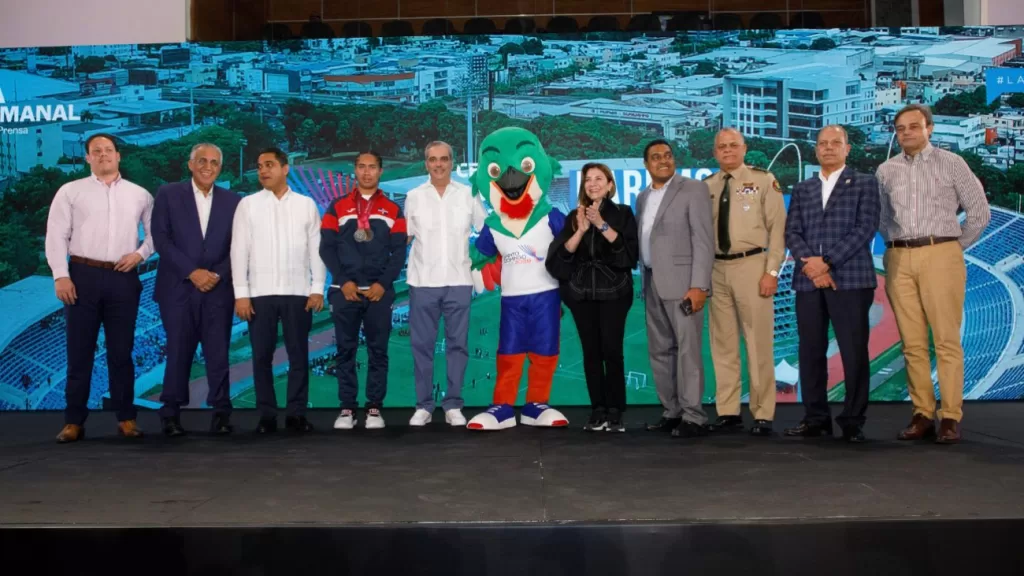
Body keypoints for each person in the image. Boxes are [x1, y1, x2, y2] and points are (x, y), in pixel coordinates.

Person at [876, 104, 990, 444]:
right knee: (912, 343)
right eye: (900, 128)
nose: (906, 133)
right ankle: (922, 413)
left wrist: (952, 248)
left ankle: (951, 416)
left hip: (941, 252)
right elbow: (882, 218)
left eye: (913, 126)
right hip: (898, 257)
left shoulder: (952, 163)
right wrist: (895, 246)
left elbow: (979, 212)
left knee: (945, 340)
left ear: (930, 128)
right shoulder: (885, 170)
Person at [45, 133, 154, 443]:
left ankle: (126, 418)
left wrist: (140, 254)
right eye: (96, 151)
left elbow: (155, 234)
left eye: (108, 150)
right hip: (82, 276)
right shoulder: (70, 191)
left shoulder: (140, 194)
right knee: (79, 353)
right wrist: (60, 275)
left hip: (123, 277)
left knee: (122, 353)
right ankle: (73, 422)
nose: (103, 154)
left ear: (118, 155)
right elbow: (56, 235)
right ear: (87, 158)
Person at [783, 125, 881, 443]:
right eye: (822, 143)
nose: (828, 148)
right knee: (810, 352)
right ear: (816, 149)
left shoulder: (865, 183)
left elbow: (865, 228)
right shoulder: (803, 188)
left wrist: (827, 262)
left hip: (850, 280)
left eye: (835, 142)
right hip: (808, 281)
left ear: (847, 148)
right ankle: (816, 419)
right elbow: (791, 232)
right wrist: (813, 268)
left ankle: (852, 421)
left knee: (853, 352)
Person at [231, 147, 326, 434]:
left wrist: (317, 288)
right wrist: (241, 294)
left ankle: (296, 414)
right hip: (260, 294)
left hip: (298, 292)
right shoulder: (247, 204)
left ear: (285, 169)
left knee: (298, 357)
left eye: (269, 165)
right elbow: (239, 251)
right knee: (262, 357)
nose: (263, 170)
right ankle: (267, 416)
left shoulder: (306, 205)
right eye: (260, 165)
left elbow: (316, 249)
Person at [151, 143, 241, 437]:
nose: (208, 167)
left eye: (214, 162)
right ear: (190, 164)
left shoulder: (233, 201)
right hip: (177, 289)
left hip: (218, 289)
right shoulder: (168, 194)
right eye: (202, 160)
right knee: (178, 352)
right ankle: (170, 414)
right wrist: (192, 272)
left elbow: (239, 246)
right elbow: (161, 240)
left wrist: (217, 274)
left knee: (218, 354)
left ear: (220, 168)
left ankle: (221, 413)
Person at [703, 128, 786, 437]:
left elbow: (778, 230)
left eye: (733, 145)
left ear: (744, 148)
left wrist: (772, 272)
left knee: (758, 343)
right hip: (716, 269)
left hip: (752, 265)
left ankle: (763, 413)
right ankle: (728, 411)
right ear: (715, 152)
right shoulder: (707, 186)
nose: (727, 150)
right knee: (723, 344)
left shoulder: (764, 180)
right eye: (722, 146)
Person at [547, 163, 639, 432]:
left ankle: (615, 411)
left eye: (599, 178)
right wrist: (580, 230)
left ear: (610, 185)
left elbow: (628, 255)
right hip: (582, 294)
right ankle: (598, 409)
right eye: (588, 179)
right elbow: (561, 257)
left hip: (615, 293)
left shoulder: (623, 213)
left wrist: (601, 224)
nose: (593, 183)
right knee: (591, 352)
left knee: (612, 351)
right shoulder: (574, 216)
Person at [320, 151, 408, 430]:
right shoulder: (337, 206)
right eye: (362, 167)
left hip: (378, 293)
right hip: (344, 290)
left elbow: (399, 252)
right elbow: (326, 248)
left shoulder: (393, 210)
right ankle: (347, 408)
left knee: (378, 352)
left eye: (372, 167)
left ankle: (374, 408)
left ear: (380, 171)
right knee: (345, 351)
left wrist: (383, 284)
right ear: (354, 171)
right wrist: (343, 280)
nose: (367, 172)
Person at [403, 141, 485, 427]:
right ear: (426, 163)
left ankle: (453, 405)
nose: (438, 164)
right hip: (422, 282)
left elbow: (486, 232)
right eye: (432, 159)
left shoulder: (468, 194)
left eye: (443, 159)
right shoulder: (413, 196)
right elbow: (405, 237)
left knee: (458, 346)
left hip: (459, 281)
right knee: (421, 347)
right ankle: (423, 406)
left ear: (452, 161)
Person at [636, 139, 714, 439]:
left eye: (667, 155)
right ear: (646, 164)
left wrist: (699, 286)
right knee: (660, 351)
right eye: (656, 157)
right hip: (652, 282)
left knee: (688, 352)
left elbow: (703, 240)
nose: (663, 160)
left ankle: (693, 416)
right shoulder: (643, 197)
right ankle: (672, 411)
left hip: (683, 285)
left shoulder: (693, 189)